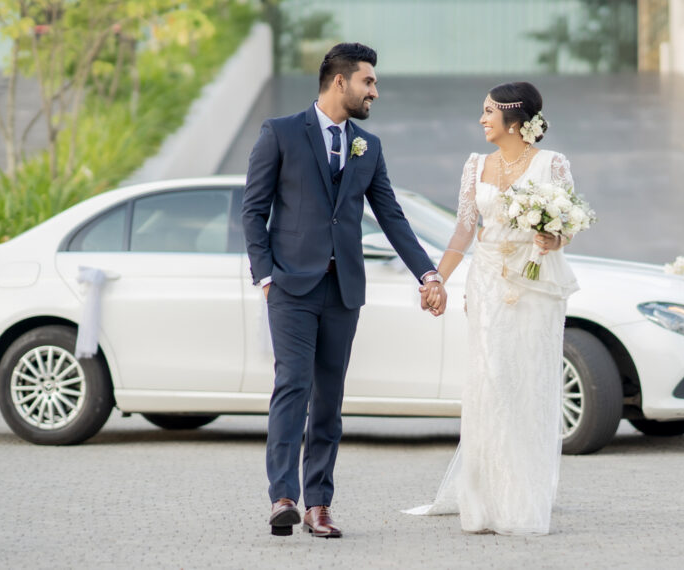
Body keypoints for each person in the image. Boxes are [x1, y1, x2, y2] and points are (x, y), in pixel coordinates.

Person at [242, 42, 447, 539]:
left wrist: (428, 274)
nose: (375, 91)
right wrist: (266, 277)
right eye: (368, 81)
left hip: (343, 291)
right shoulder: (280, 132)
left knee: (329, 400)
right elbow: (253, 209)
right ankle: (283, 498)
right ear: (340, 82)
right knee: (292, 386)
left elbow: (392, 216)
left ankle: (319, 505)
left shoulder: (367, 147)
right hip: (291, 287)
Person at [406, 81, 579, 535]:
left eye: (488, 112)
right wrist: (436, 278)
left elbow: (568, 226)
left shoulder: (552, 165)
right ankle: (484, 501)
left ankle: (522, 496)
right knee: (490, 379)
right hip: (486, 279)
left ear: (514, 120)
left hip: (534, 282)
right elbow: (463, 231)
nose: (482, 119)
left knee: (528, 380)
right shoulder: (475, 165)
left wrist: (554, 238)